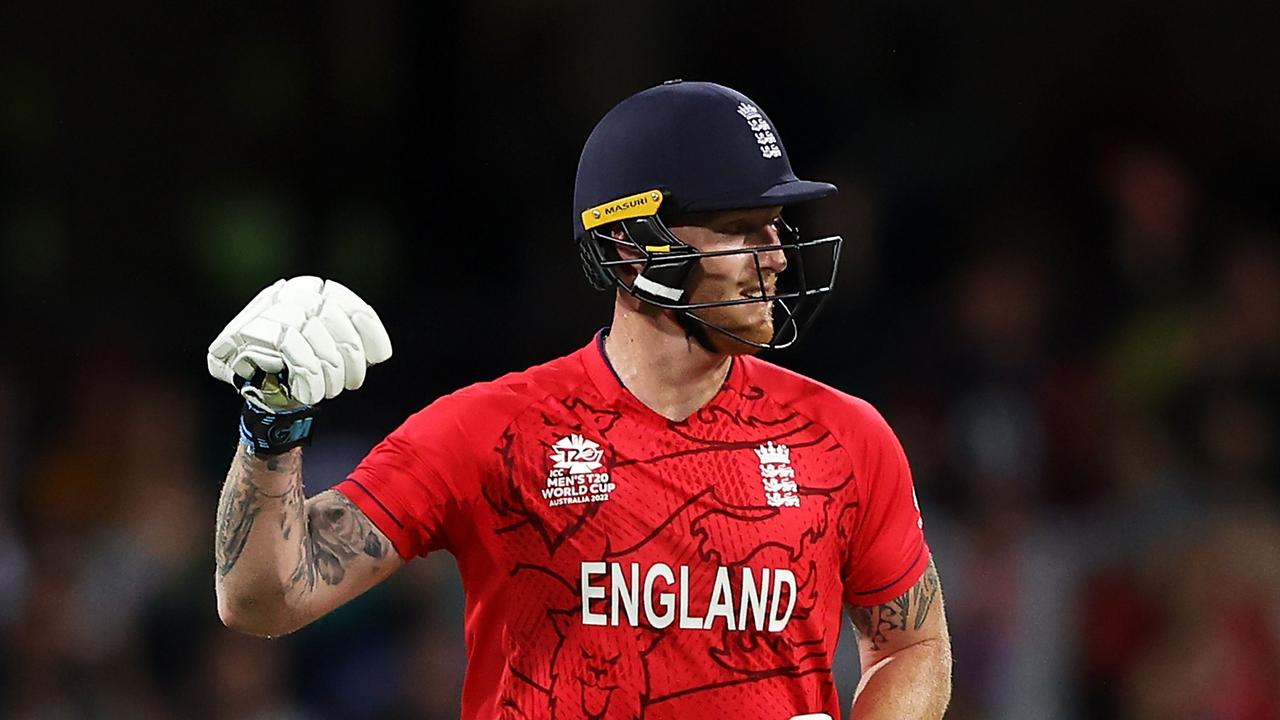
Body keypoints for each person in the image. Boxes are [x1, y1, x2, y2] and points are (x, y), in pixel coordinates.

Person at [207, 80, 952, 720]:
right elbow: (264, 602)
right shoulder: (491, 430)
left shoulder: (844, 436)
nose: (778, 257)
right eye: (739, 229)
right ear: (635, 245)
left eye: (774, 227)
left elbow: (912, 645)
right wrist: (271, 432)